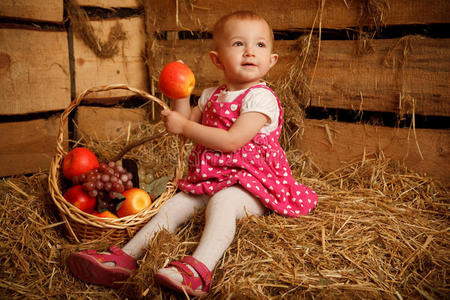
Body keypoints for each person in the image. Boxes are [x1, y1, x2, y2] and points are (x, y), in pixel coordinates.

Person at [67, 10, 318, 296]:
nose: (250, 51)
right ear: (217, 59)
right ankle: (125, 258)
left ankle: (199, 270)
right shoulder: (212, 94)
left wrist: (184, 126)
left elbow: (230, 141)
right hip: (212, 177)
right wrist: (181, 93)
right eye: (238, 44)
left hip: (254, 183)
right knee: (176, 204)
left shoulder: (260, 98)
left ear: (271, 60)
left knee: (222, 203)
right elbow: (184, 119)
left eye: (260, 45)